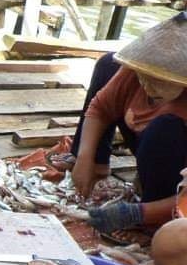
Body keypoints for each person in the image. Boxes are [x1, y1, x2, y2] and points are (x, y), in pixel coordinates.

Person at [49, 13, 187, 240]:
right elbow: (100, 108)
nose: (145, 84)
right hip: (145, 142)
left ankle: (154, 215)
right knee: (108, 63)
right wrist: (85, 158)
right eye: (144, 76)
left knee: (166, 127)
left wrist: (137, 213)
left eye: (157, 80)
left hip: (174, 165)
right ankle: (98, 164)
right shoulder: (137, 72)